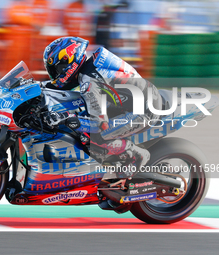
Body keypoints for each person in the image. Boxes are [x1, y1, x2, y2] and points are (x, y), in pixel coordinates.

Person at [42, 37, 162, 179]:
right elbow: (65, 85)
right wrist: (39, 86)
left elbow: (99, 125)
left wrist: (65, 119)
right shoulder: (91, 64)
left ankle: (137, 154)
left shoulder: (89, 81)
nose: (56, 73)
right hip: (132, 101)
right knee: (83, 118)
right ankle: (109, 159)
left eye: (58, 69)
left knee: (95, 135)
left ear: (69, 62)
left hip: (144, 111)